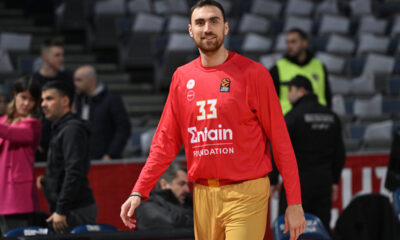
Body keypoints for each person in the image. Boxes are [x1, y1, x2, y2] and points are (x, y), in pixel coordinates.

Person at [121, 1, 306, 240]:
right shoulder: (182, 77)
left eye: (214, 21)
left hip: (246, 192)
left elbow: (281, 142)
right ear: (190, 30)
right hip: (203, 193)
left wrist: (295, 202)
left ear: (225, 28)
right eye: (200, 22)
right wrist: (139, 190)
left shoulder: (254, 74)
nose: (207, 28)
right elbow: (164, 143)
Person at [276, 75, 345, 232]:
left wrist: (273, 179)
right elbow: (340, 153)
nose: (287, 94)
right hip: (323, 183)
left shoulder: (293, 117)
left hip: (297, 186)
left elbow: (279, 149)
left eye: (290, 89)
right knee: (321, 231)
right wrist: (334, 181)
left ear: (301, 91)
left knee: (290, 231)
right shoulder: (331, 116)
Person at [37, 81, 97, 233]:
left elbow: (74, 171)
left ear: (65, 101)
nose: (43, 104)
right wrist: (49, 179)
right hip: (69, 208)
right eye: (42, 100)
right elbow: (65, 167)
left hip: (74, 209)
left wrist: (61, 210)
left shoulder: (72, 130)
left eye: (49, 99)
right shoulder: (61, 128)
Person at [0, 76, 42, 234]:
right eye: (23, 97)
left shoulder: (33, 124)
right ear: (14, 94)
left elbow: (11, 133)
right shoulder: (3, 121)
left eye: (31, 100)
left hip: (17, 199)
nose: (26, 103)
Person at [73, 65, 131, 160]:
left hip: (104, 159)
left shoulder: (111, 99)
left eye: (79, 80)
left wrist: (111, 154)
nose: (75, 84)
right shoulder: (78, 100)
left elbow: (123, 128)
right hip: (82, 159)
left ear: (90, 81)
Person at [270, 28, 332, 115]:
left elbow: (327, 95)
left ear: (304, 43)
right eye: (287, 42)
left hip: (317, 119)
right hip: (288, 122)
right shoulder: (277, 68)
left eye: (293, 42)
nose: (289, 46)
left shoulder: (319, 66)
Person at [33, 38, 74, 162]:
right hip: (41, 140)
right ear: (45, 57)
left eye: (62, 55)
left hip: (64, 137)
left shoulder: (67, 79)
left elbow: (73, 109)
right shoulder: (34, 81)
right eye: (57, 55)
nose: (61, 58)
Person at [135, 162, 193, 230]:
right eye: (181, 184)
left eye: (187, 184)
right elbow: (171, 223)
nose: (187, 190)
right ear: (164, 184)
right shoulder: (146, 203)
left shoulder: (189, 203)